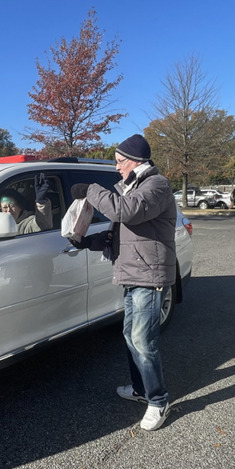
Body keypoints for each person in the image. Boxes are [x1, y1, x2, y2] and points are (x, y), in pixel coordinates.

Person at [69, 134, 176, 431]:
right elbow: (118, 234)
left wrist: (92, 190)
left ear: (136, 161)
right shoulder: (131, 188)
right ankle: (141, 389)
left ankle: (158, 400)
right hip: (133, 273)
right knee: (131, 336)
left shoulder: (157, 186)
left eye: (119, 162)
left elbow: (124, 211)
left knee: (143, 340)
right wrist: (83, 241)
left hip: (149, 275)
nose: (116, 167)